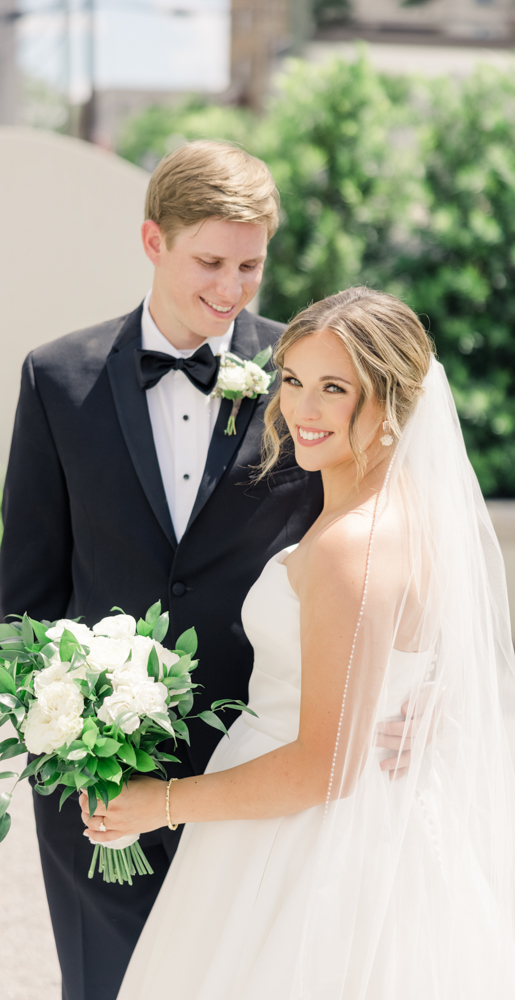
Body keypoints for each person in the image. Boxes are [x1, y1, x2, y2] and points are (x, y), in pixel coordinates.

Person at [82, 287, 515, 999]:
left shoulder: (352, 548)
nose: (301, 410)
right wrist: (430, 697)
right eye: (292, 382)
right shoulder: (403, 516)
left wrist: (158, 803)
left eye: (332, 389)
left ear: (391, 402)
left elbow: (326, 769)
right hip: (367, 825)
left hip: (304, 844)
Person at [0, 140, 327, 1000]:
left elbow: (351, 551)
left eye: (249, 266)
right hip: (98, 773)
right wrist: (58, 756)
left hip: (257, 764)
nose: (230, 288)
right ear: (153, 241)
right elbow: (26, 597)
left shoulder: (305, 379)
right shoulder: (55, 379)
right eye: (209, 261)